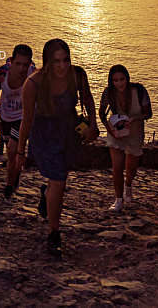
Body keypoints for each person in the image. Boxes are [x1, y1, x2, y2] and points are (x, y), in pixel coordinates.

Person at [15, 38, 98, 254]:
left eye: (66, 60)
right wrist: (20, 152)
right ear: (47, 62)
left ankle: (45, 195)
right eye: (57, 61)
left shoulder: (77, 75)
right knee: (59, 182)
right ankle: (54, 231)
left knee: (58, 181)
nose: (62, 66)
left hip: (68, 133)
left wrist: (92, 123)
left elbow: (88, 99)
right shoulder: (33, 84)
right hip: (45, 136)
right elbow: (26, 119)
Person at [98, 64, 152, 213]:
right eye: (115, 80)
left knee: (131, 168)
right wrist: (110, 130)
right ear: (111, 81)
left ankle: (128, 184)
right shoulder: (108, 93)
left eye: (122, 79)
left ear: (127, 78)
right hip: (116, 131)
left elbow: (148, 113)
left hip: (135, 132)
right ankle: (118, 200)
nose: (119, 83)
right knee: (117, 166)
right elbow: (101, 114)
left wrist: (133, 119)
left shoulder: (139, 91)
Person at [0, 44, 36, 199]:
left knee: (12, 150)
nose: (22, 68)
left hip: (24, 117)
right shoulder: (2, 73)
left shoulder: (33, 75)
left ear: (30, 63)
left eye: (25, 64)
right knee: (11, 151)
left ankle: (9, 187)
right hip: (6, 116)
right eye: (18, 64)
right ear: (12, 61)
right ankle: (15, 173)